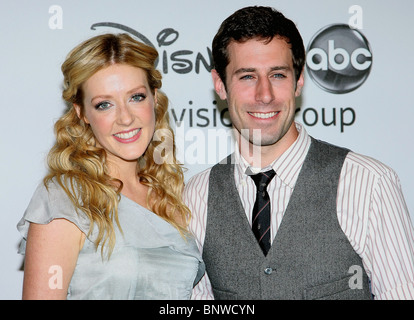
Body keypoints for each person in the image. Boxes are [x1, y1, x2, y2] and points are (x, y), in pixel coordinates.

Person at [184, 6, 414, 300]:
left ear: (299, 80)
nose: (264, 95)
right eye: (247, 77)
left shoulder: (369, 183)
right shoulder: (196, 196)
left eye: (278, 75)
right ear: (220, 85)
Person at [17, 33, 204, 300]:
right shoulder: (64, 199)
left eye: (136, 97)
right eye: (104, 104)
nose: (125, 118)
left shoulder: (173, 197)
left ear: (154, 97)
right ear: (82, 113)